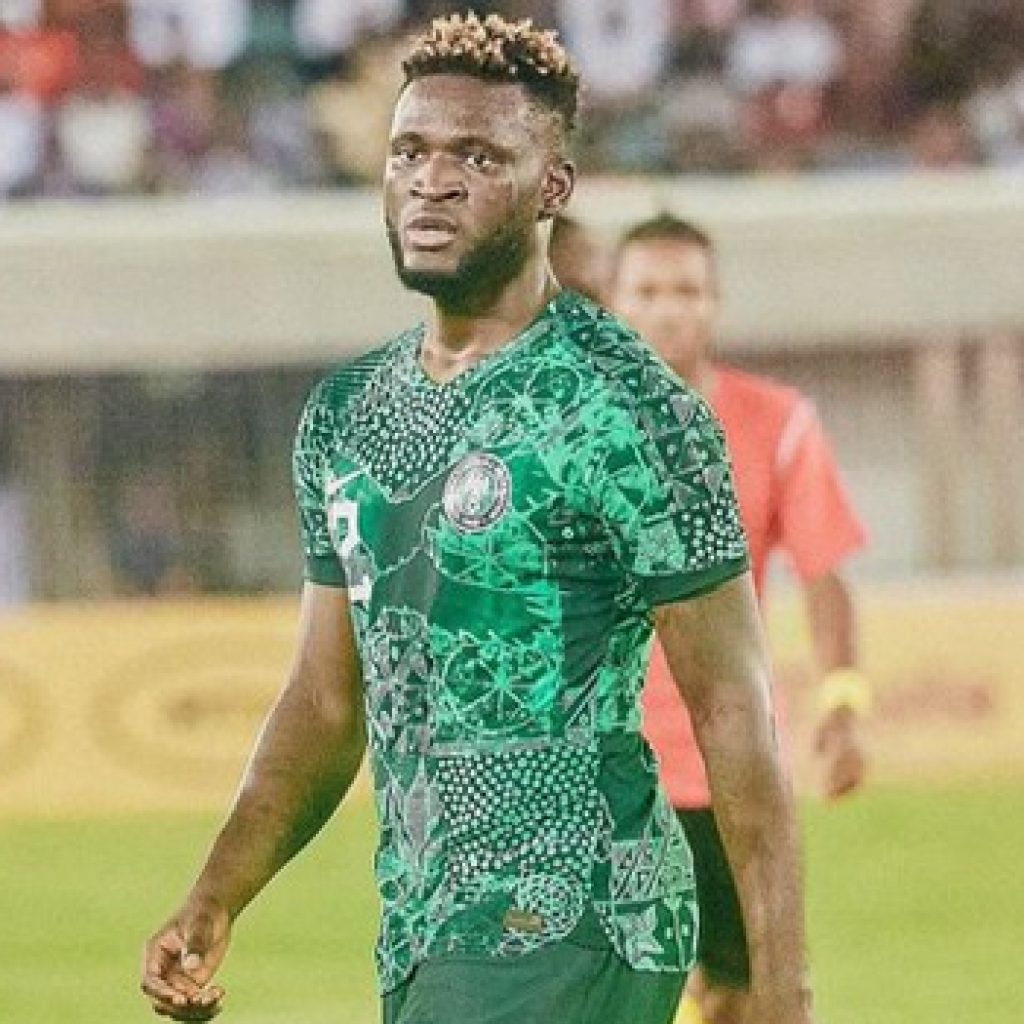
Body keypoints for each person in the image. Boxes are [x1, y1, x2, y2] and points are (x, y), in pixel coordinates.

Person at [140, 14, 812, 1024]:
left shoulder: (632, 412)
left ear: (553, 187)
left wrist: (781, 989)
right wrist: (216, 892)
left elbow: (733, 707)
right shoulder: (347, 414)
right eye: (409, 151)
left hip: (584, 911)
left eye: (478, 156)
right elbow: (324, 701)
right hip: (426, 928)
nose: (433, 180)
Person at [610, 212, 869, 1024]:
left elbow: (825, 574)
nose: (668, 309)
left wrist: (843, 699)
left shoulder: (776, 423)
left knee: (756, 997)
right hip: (598, 769)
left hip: (728, 766)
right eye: (648, 290)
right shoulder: (558, 430)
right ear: (613, 303)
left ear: (715, 303)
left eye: (687, 290)